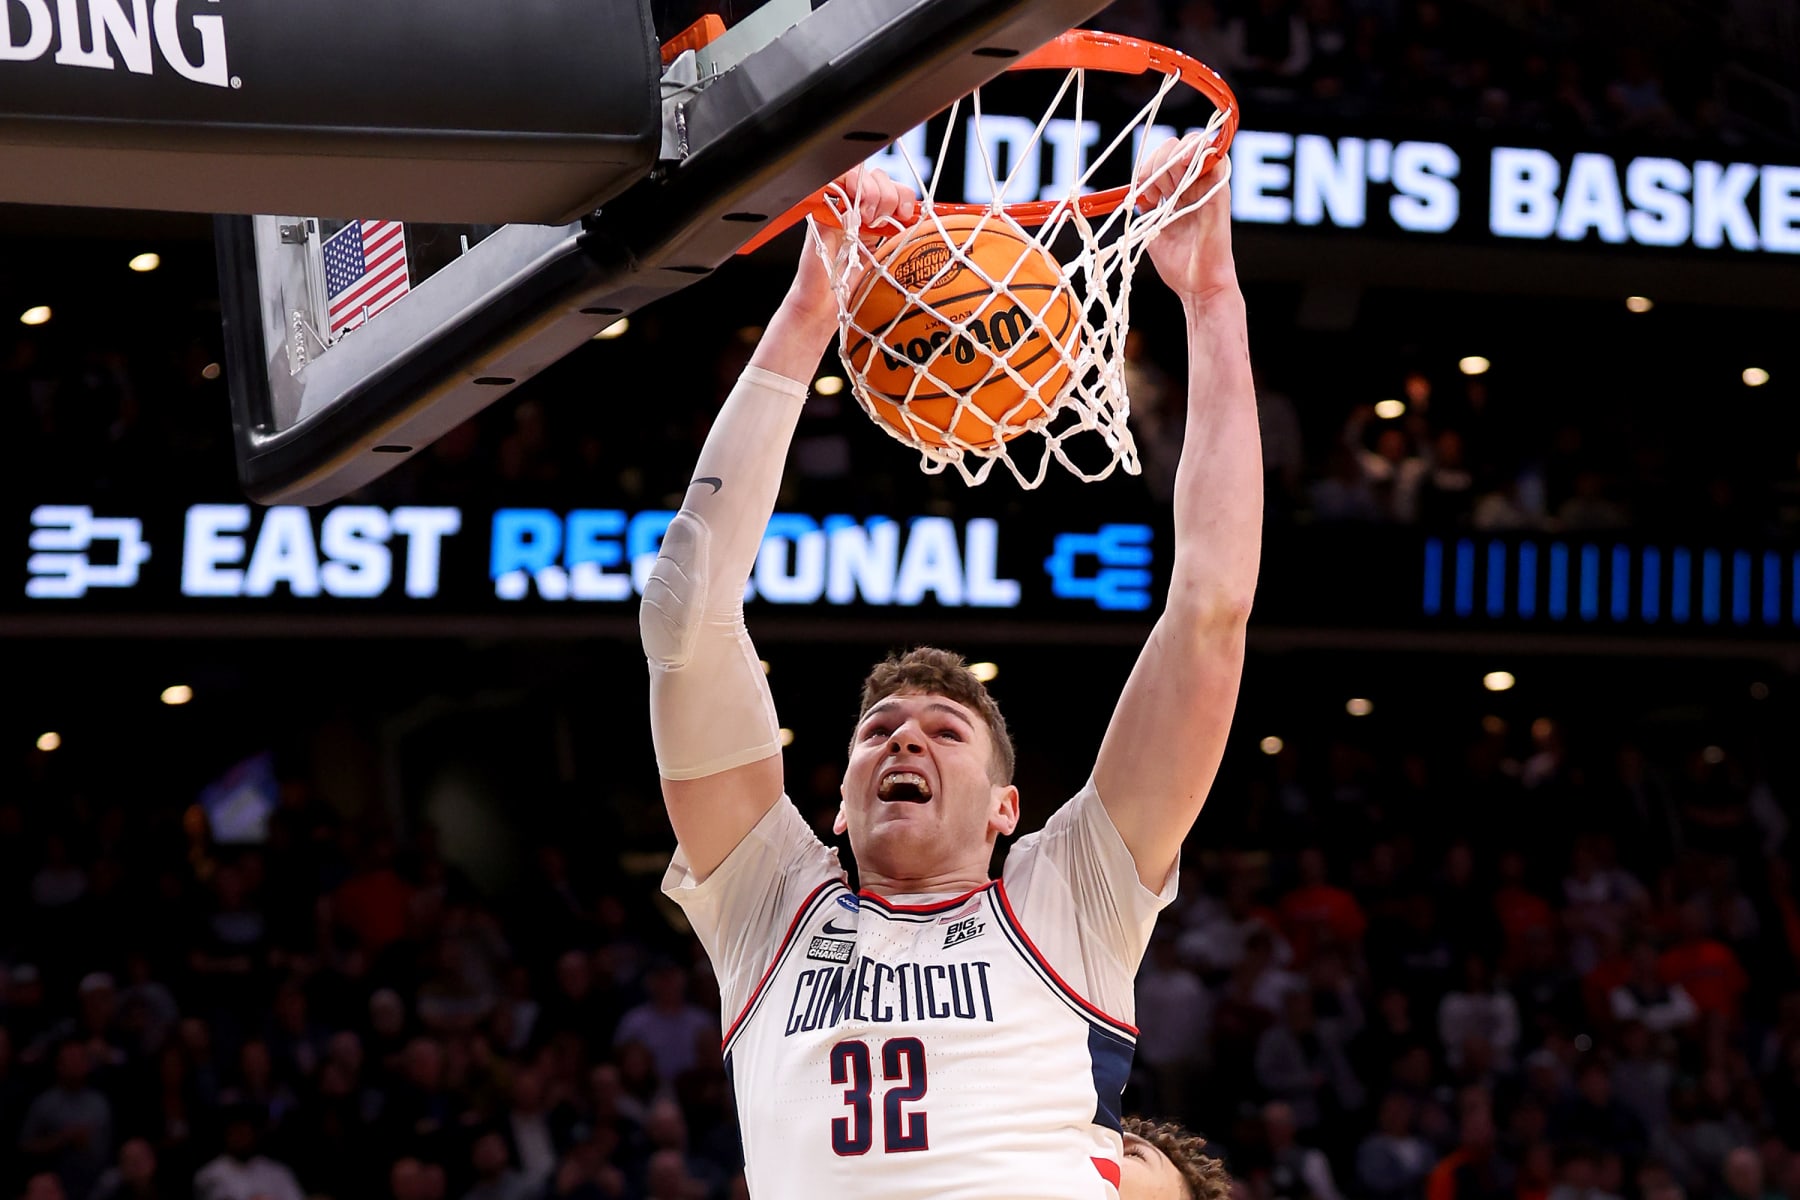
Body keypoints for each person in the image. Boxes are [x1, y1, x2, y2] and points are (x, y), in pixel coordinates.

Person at [641, 135, 1260, 1196]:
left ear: (1005, 810)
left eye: (943, 729)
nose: (904, 738)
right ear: (834, 806)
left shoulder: (1071, 899)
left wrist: (1210, 297)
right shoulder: (769, 905)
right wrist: (809, 314)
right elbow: (688, 616)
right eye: (877, 732)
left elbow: (1208, 609)